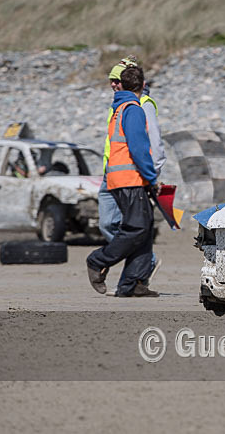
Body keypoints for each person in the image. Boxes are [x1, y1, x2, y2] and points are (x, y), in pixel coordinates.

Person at [87, 66, 159, 297]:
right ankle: (98, 261)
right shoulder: (134, 109)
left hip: (119, 177)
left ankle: (133, 284)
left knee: (145, 229)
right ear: (142, 85)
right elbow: (139, 148)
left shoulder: (118, 108)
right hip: (130, 179)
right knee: (136, 228)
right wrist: (151, 177)